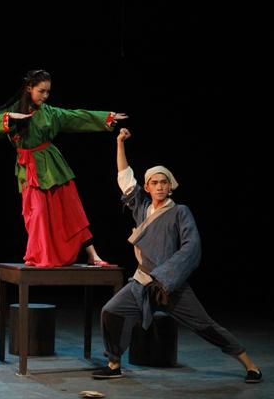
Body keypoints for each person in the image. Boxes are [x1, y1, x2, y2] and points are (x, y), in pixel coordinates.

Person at [92, 128, 263, 383]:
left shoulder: (180, 211)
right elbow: (124, 176)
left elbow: (191, 247)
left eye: (164, 182)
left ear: (170, 186)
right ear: (147, 187)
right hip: (143, 282)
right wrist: (119, 143)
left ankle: (250, 366)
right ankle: (114, 364)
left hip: (170, 286)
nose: (160, 186)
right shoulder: (141, 208)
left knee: (205, 325)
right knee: (111, 311)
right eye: (154, 183)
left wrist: (165, 278)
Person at [0, 69, 128, 267]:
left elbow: (75, 117)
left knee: (71, 210)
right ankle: (39, 255)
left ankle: (93, 255)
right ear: (29, 88)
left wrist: (105, 118)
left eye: (48, 91)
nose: (45, 95)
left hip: (53, 166)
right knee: (37, 213)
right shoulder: (14, 110)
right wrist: (9, 117)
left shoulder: (50, 113)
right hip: (29, 169)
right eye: (41, 91)